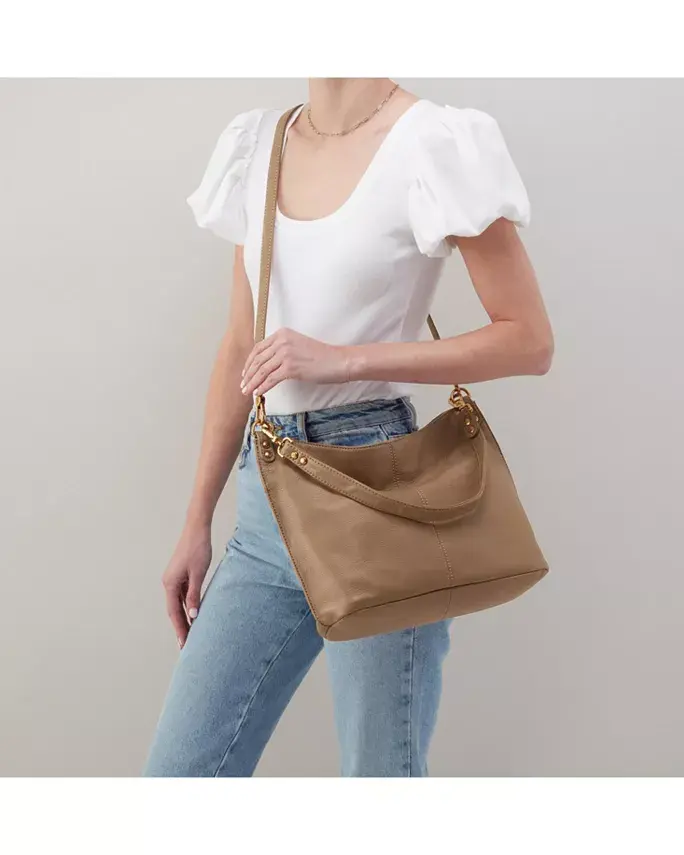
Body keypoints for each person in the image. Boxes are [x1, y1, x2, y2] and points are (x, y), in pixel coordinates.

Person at [143, 78, 553, 777]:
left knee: (379, 775)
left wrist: (347, 359)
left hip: (381, 500)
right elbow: (241, 344)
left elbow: (529, 340)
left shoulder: (432, 142)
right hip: (265, 503)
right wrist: (196, 521)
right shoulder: (258, 145)